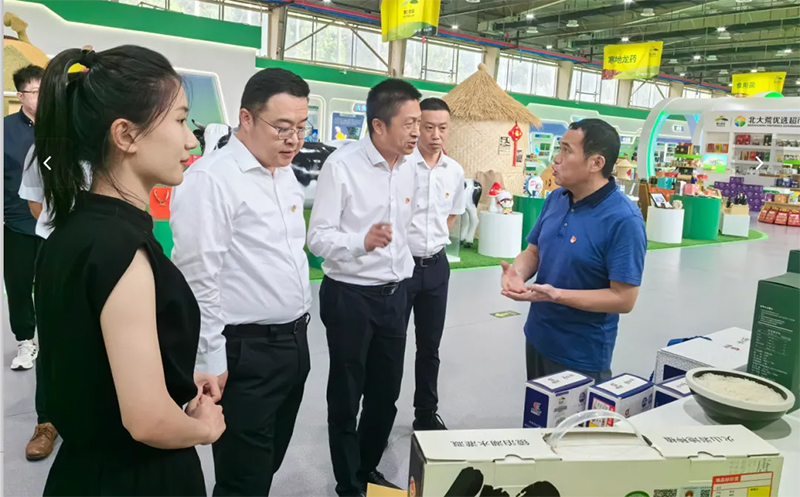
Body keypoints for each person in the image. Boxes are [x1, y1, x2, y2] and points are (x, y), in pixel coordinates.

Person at [32, 45, 225, 496]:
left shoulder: (72, 230)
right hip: (137, 478)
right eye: (180, 120)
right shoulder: (122, 252)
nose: (191, 140)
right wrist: (205, 428)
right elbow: (147, 420)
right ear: (125, 135)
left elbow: (91, 359)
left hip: (80, 473)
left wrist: (174, 376)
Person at [171, 68, 313, 496]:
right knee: (243, 478)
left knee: (268, 462)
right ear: (246, 118)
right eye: (282, 127)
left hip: (293, 343)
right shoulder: (212, 180)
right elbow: (198, 277)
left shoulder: (283, 173)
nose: (294, 139)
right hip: (245, 352)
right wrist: (210, 357)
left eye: (302, 127)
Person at [307, 79, 421, 497]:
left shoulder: (410, 167)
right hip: (349, 296)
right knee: (346, 394)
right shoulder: (342, 166)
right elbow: (317, 239)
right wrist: (361, 242)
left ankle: (368, 467)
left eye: (419, 122)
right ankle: (349, 484)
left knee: (385, 395)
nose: (416, 132)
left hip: (395, 295)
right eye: (409, 123)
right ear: (378, 125)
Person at [500, 119, 647, 383]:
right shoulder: (557, 198)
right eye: (560, 148)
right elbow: (533, 252)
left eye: (567, 151)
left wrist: (558, 295)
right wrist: (517, 274)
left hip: (581, 354)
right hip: (538, 336)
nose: (556, 159)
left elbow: (624, 299)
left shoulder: (624, 220)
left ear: (596, 163)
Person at [404, 98, 466, 431]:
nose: (435, 135)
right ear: (417, 126)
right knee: (388, 347)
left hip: (437, 268)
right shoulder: (401, 165)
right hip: (400, 269)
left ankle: (425, 414)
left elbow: (452, 215)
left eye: (442, 128)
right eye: (428, 127)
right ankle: (377, 417)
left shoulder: (454, 171)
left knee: (429, 346)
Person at [4, 65, 43, 372]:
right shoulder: (5, 130)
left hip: (55, 223)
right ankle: (25, 341)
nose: (43, 97)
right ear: (20, 95)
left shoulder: (62, 127)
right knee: (18, 286)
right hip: (17, 222)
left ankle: (56, 339)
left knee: (55, 286)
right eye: (36, 91)